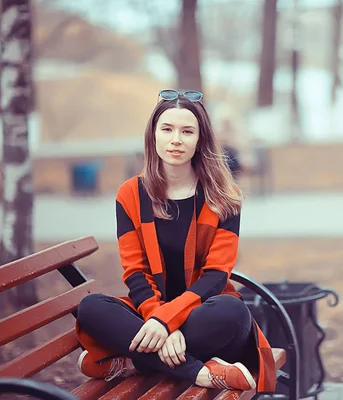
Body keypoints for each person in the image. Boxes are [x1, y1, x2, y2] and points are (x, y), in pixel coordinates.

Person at [74, 90, 276, 393]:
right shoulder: (130, 195)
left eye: (187, 131)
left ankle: (136, 359)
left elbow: (215, 277)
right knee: (90, 307)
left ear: (200, 140)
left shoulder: (224, 197)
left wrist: (167, 322)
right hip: (150, 314)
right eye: (167, 129)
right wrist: (161, 321)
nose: (176, 139)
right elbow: (136, 273)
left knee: (232, 312)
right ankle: (200, 372)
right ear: (153, 135)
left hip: (207, 319)